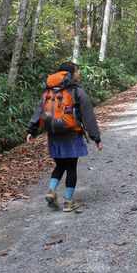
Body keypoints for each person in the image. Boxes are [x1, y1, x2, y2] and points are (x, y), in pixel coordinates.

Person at [26, 62, 103, 212]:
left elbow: (39, 112)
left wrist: (32, 131)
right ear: (70, 74)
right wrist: (96, 138)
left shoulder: (48, 92)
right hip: (72, 135)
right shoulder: (76, 91)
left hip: (54, 136)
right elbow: (89, 117)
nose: (78, 74)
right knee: (71, 167)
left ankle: (51, 191)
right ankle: (68, 202)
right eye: (77, 71)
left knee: (60, 165)